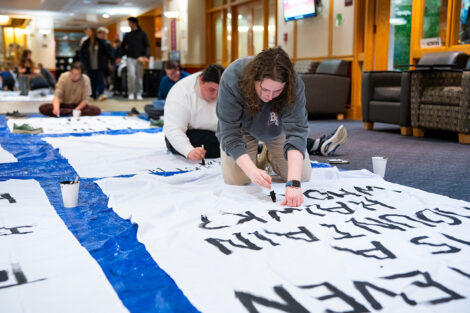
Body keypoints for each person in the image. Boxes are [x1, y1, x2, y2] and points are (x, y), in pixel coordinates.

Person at [216, 47, 347, 208]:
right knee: (237, 180)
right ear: (253, 79)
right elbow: (229, 134)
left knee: (303, 176)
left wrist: (293, 184)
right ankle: (256, 161)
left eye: (277, 91)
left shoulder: (294, 85)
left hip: (276, 127)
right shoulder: (233, 77)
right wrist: (252, 171)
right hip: (242, 129)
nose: (269, 96)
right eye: (264, 89)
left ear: (286, 85)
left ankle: (268, 155)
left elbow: (297, 133)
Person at [163, 64, 224, 161]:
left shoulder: (229, 90)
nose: (215, 95)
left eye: (220, 91)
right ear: (201, 80)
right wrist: (189, 151)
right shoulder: (182, 92)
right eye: (211, 90)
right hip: (190, 134)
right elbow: (173, 129)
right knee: (176, 142)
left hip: (217, 134)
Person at [116, 17, 150, 100]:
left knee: (139, 76)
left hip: (140, 58)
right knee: (131, 75)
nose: (129, 24)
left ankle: (139, 93)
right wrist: (119, 57)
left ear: (134, 23)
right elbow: (123, 47)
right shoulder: (128, 35)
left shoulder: (143, 34)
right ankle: (130, 92)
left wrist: (146, 56)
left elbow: (147, 46)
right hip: (130, 57)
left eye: (129, 23)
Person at [80, 28, 112, 100]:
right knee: (91, 81)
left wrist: (109, 62)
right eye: (86, 31)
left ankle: (101, 94)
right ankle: (92, 95)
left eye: (89, 31)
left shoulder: (100, 42)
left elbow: (106, 53)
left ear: (93, 32)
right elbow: (81, 54)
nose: (87, 33)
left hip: (99, 65)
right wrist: (83, 62)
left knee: (100, 80)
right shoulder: (86, 42)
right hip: (89, 65)